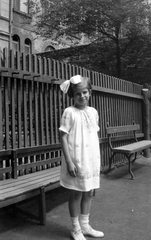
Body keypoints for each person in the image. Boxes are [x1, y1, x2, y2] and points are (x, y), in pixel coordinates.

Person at [59, 75, 104, 240]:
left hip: (90, 160)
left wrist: (97, 161)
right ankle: (76, 228)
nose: (82, 96)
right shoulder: (69, 112)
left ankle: (85, 226)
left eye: (85, 92)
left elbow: (92, 136)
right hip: (76, 160)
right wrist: (69, 162)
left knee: (88, 192)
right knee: (76, 194)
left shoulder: (93, 112)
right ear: (72, 95)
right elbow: (63, 137)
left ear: (90, 92)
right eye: (78, 94)